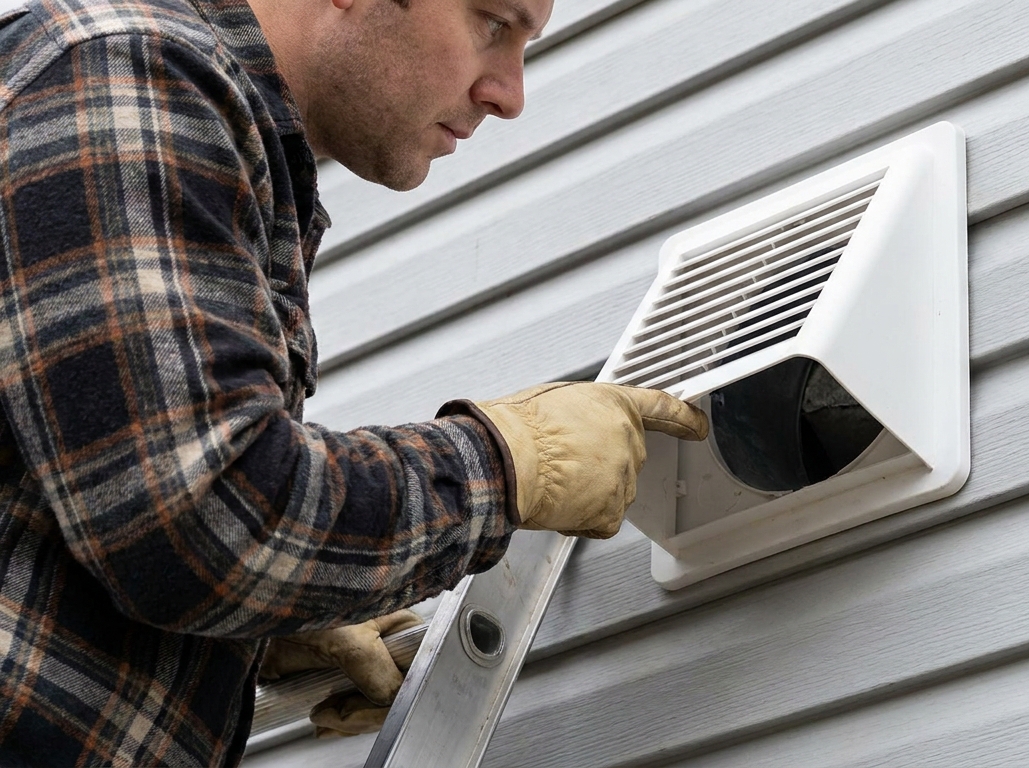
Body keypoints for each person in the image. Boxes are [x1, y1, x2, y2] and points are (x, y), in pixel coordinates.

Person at [0, 0, 709, 762]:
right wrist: (507, 462)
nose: (510, 93)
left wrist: (263, 628)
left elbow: (112, 505)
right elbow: (207, 520)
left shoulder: (180, 113)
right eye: (493, 22)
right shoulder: (125, 69)